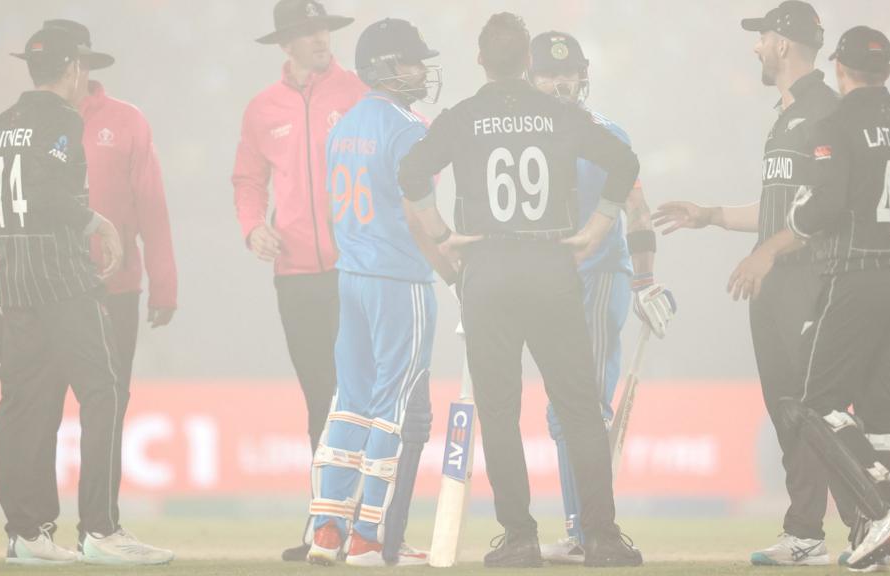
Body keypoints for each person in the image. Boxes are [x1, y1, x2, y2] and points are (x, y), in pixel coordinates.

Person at [399, 12, 644, 568]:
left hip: (487, 269)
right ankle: (602, 537)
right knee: (580, 409)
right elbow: (623, 163)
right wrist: (596, 230)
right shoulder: (557, 114)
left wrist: (441, 233)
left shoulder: (462, 118)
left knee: (501, 410)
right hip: (551, 264)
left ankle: (519, 537)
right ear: (528, 62)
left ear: (482, 61)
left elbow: (411, 172)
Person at [0, 25, 173, 565]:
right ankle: (100, 530)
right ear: (74, 67)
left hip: (19, 290)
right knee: (104, 393)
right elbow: (53, 191)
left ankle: (26, 535)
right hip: (66, 285)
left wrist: (13, 245)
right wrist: (93, 220)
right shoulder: (62, 121)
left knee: (22, 407)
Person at [652, 1, 841, 565]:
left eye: (761, 38)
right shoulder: (785, 115)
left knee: (811, 408)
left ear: (783, 44)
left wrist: (766, 253)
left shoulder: (826, 112)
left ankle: (830, 527)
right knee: (787, 408)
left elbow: (824, 210)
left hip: (808, 280)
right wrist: (710, 214)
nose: (755, 47)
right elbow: (778, 206)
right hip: (775, 283)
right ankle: (804, 532)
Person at [784, 25, 890, 570]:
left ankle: (881, 506)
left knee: (817, 402)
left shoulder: (835, 125)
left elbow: (821, 209)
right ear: (887, 71)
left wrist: (799, 215)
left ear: (839, 68)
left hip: (857, 278)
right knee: (885, 408)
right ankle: (875, 543)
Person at [306, 18, 454, 567]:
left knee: (350, 403)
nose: (421, 71)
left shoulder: (342, 126)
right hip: (400, 279)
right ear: (388, 67)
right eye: (413, 61)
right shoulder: (411, 128)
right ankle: (371, 539)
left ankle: (327, 529)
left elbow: (328, 209)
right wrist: (454, 269)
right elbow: (421, 217)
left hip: (352, 277)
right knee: (394, 405)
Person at [526, 30, 672, 564]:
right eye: (548, 73)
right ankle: (581, 527)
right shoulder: (523, 136)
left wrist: (646, 279)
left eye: (568, 73)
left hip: (599, 277)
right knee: (562, 413)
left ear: (583, 75)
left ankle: (589, 530)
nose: (561, 82)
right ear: (530, 77)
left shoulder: (607, 133)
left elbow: (637, 209)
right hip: (543, 283)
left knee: (580, 408)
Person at [231, 0, 366, 560]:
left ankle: (364, 521)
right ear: (285, 43)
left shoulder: (358, 93)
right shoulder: (262, 109)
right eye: (308, 32)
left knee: (353, 395)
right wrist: (251, 228)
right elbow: (246, 179)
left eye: (324, 30)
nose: (320, 40)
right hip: (295, 277)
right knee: (321, 398)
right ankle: (327, 525)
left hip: (354, 270)